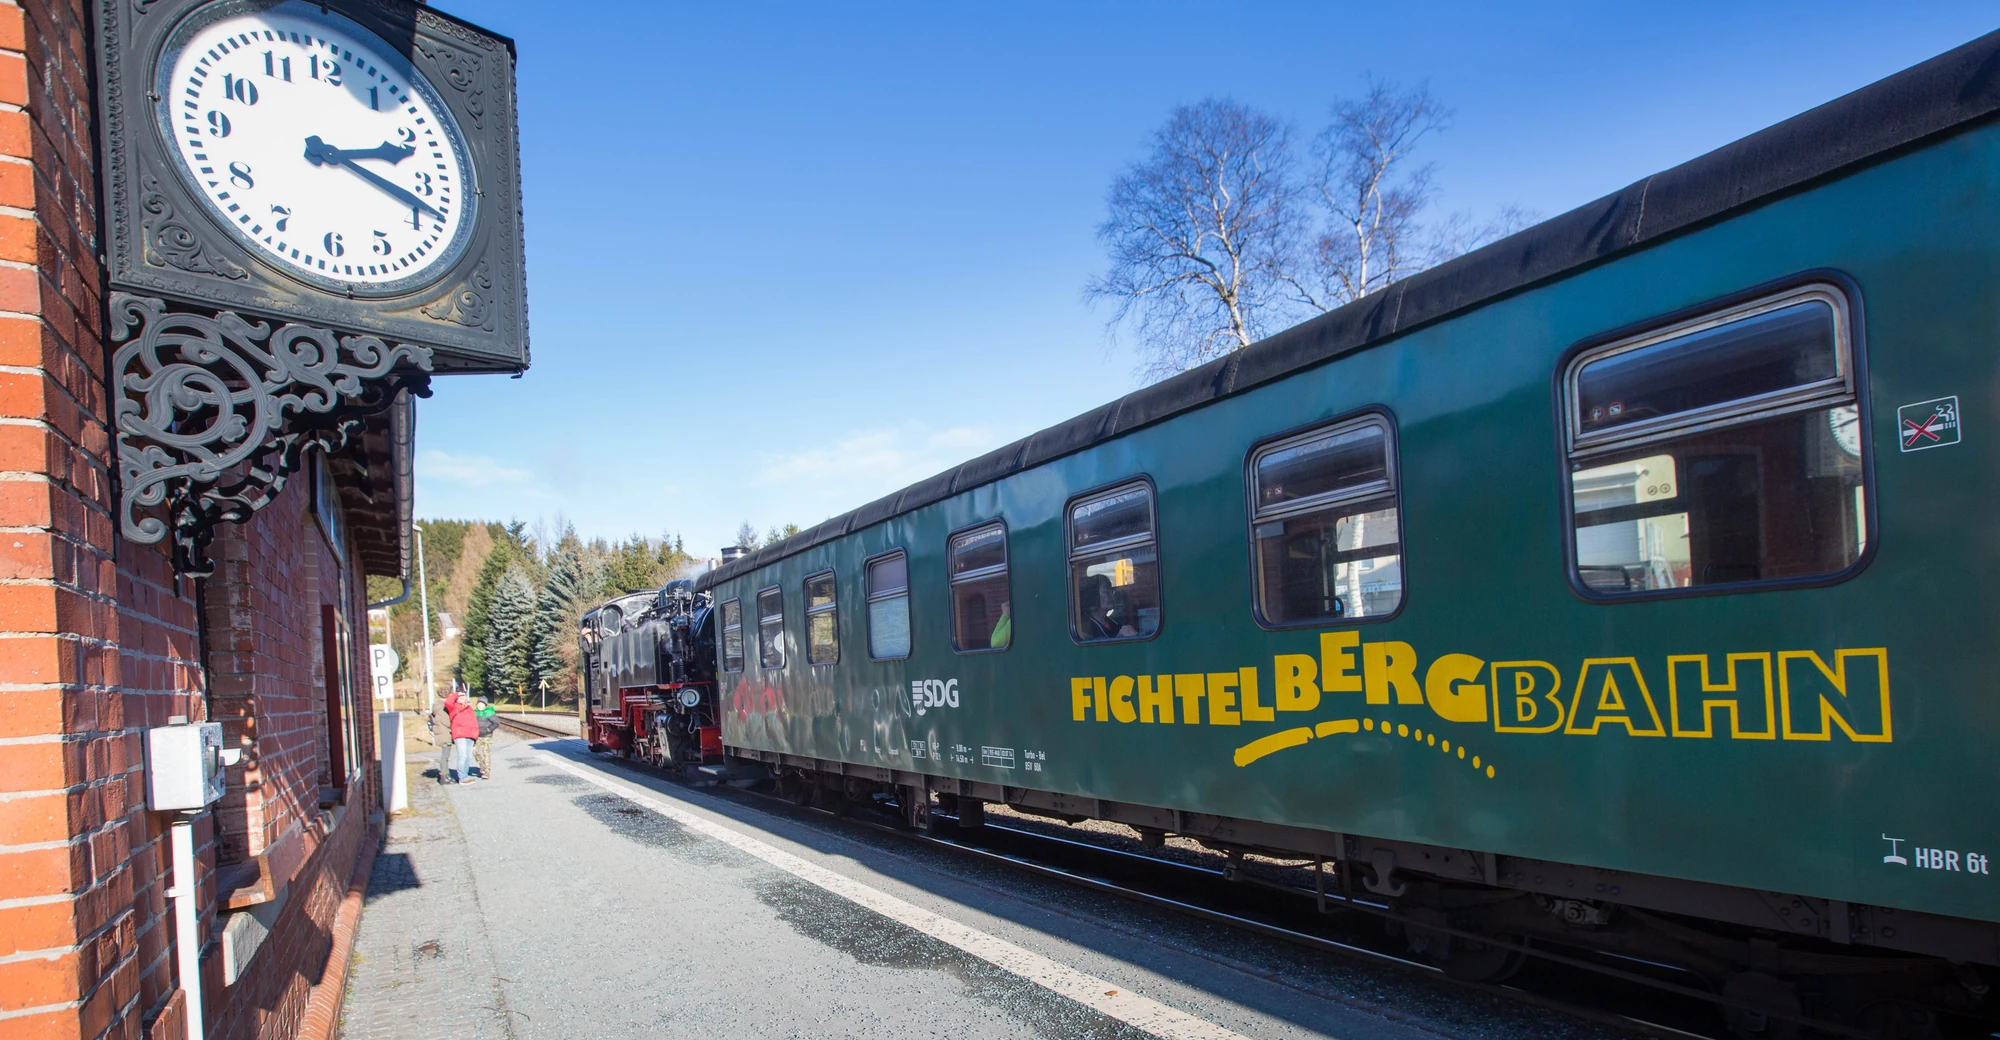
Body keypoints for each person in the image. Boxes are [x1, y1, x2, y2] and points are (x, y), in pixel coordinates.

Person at [445, 689, 480, 784]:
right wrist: (456, 694)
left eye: (463, 696)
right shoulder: (453, 707)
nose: (462, 698)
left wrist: (476, 733)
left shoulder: (469, 708)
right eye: (460, 696)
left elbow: (474, 721)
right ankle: (462, 778)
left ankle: (465, 775)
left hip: (470, 734)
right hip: (460, 734)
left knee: (468, 757)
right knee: (462, 756)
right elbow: (448, 702)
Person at [473, 697, 498, 779]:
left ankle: (486, 772)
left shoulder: (489, 712)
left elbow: (496, 722)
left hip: (486, 736)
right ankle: (482, 765)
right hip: (477, 736)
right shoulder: (474, 712)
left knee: (486, 753)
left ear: (485, 705)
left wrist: (489, 729)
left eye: (482, 704)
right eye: (479, 704)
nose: (480, 705)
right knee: (474, 751)